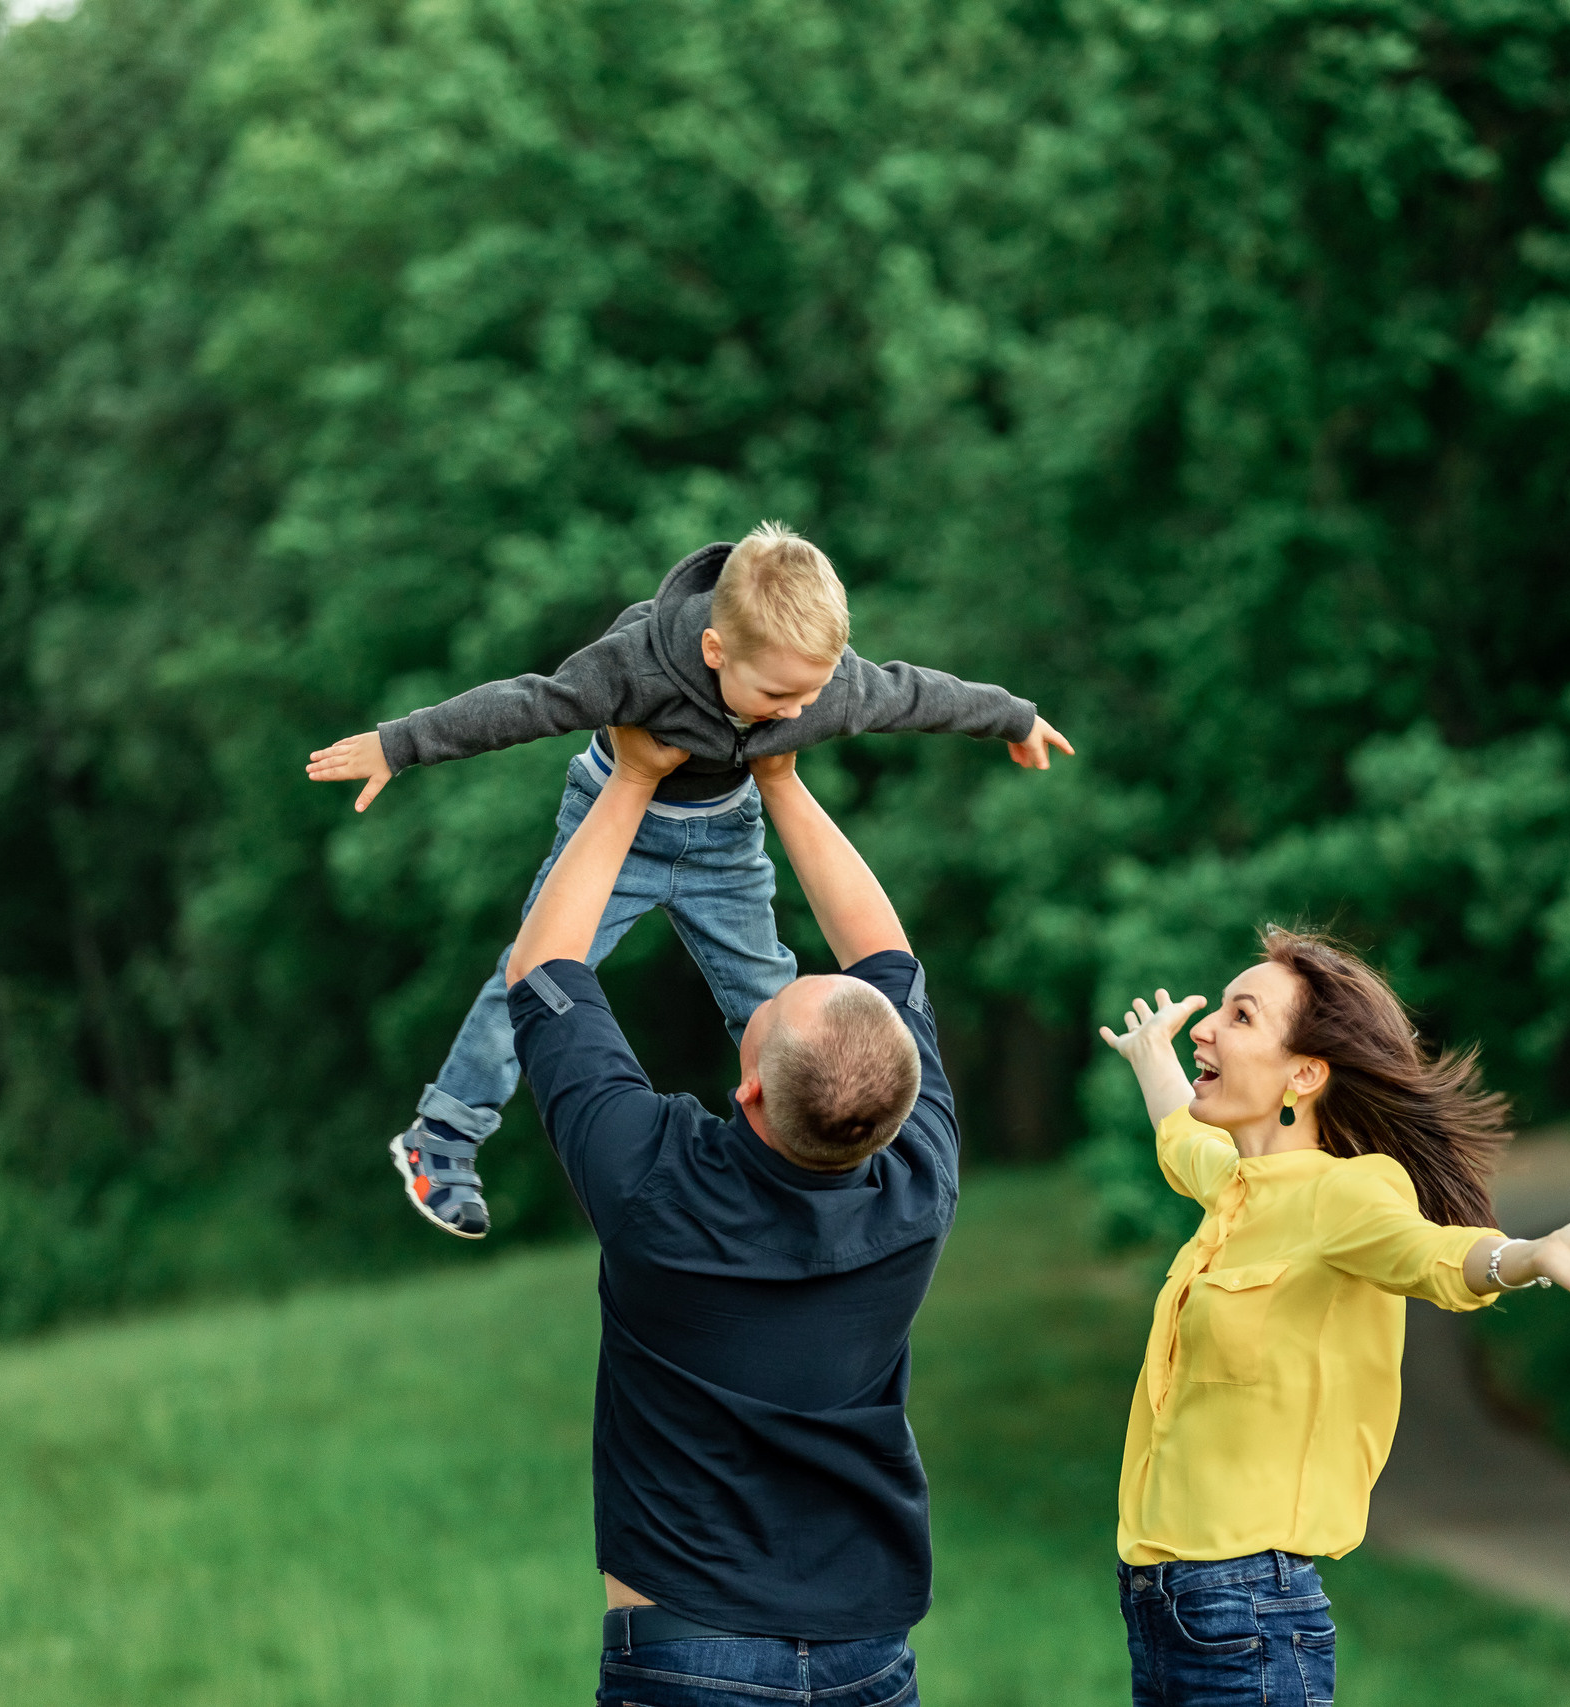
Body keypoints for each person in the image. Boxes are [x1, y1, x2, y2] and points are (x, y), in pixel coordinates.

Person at [304, 522, 1068, 1240]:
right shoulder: (634, 665)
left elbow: (918, 694)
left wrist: (1014, 719)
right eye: (777, 696)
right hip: (616, 829)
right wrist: (399, 744)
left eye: (812, 693)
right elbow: (525, 705)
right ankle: (443, 1133)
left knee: (771, 1004)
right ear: (715, 649)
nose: (798, 711)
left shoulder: (821, 683)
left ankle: (806, 1163)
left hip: (726, 844)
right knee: (537, 980)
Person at [1096, 929, 1570, 1707]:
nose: (1205, 1027)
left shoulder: (1347, 1192)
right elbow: (1180, 1141)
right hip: (1162, 1604)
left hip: (1246, 1612)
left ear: (1304, 1072)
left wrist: (1533, 1254)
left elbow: (1432, 1254)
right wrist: (1149, 1056)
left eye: (1240, 1017)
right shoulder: (1238, 1184)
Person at [498, 722, 956, 1707]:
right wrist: (780, 781)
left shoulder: (653, 1185)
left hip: (686, 1652)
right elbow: (884, 952)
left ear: (751, 1095)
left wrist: (629, 778)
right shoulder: (917, 1180)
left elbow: (541, 968)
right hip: (867, 1654)